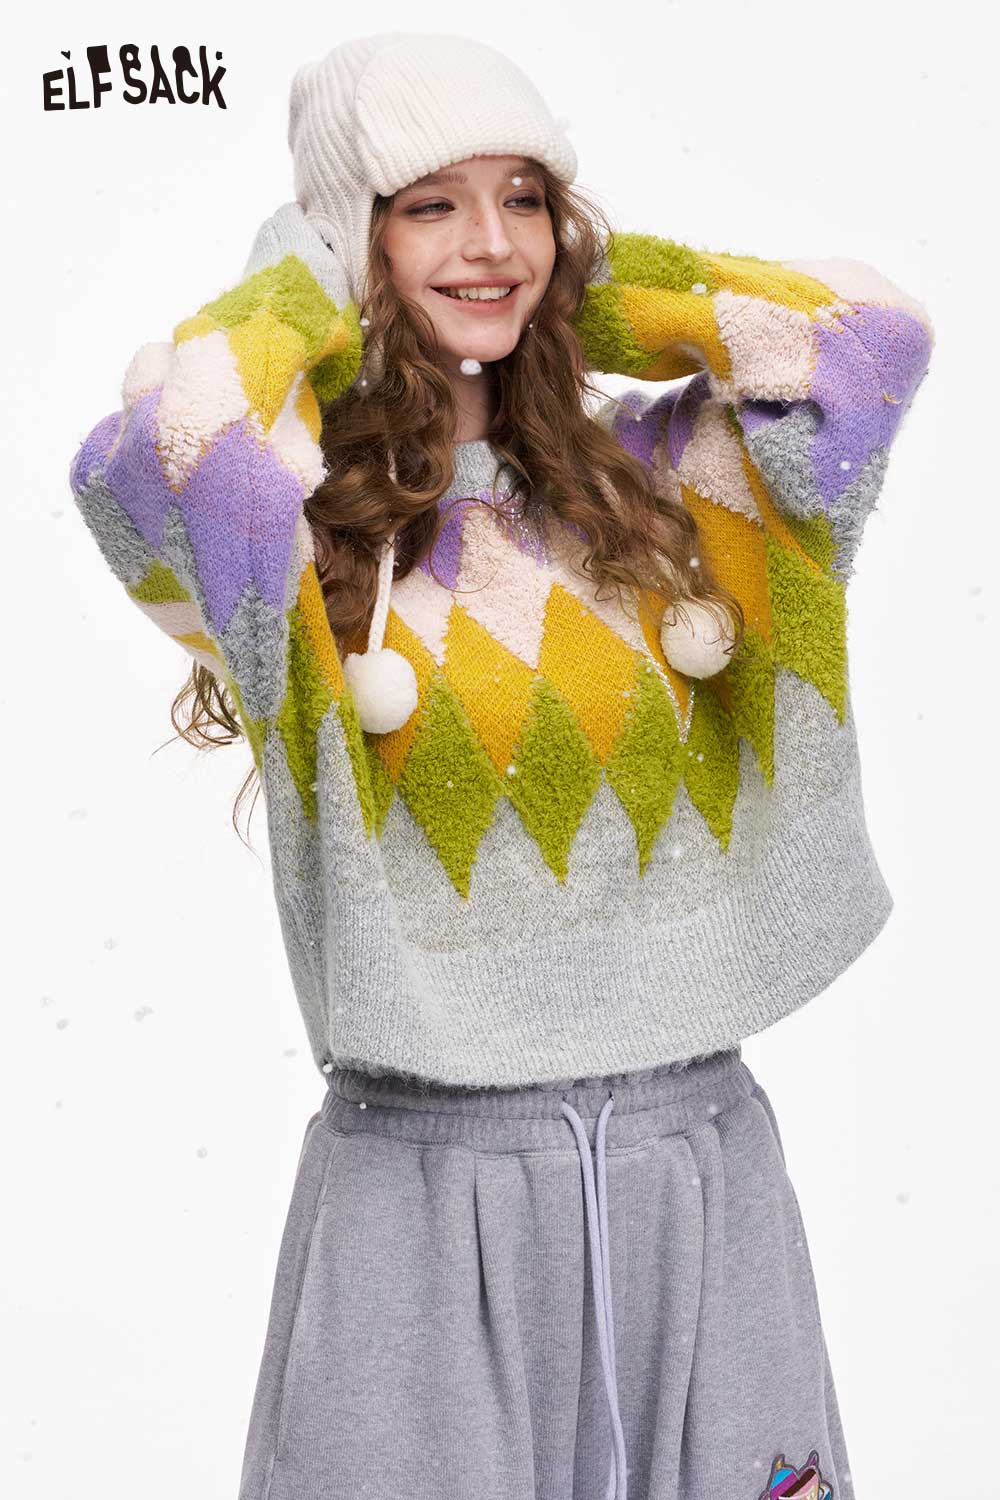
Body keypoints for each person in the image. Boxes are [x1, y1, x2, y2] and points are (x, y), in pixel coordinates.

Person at [68, 29, 933, 1500]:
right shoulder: (295, 539)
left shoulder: (663, 487)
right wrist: (304, 292)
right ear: (353, 239)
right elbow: (158, 458)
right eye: (430, 206)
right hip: (424, 1189)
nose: (492, 243)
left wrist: (586, 294)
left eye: (524, 198)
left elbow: (866, 344)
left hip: (697, 1167)